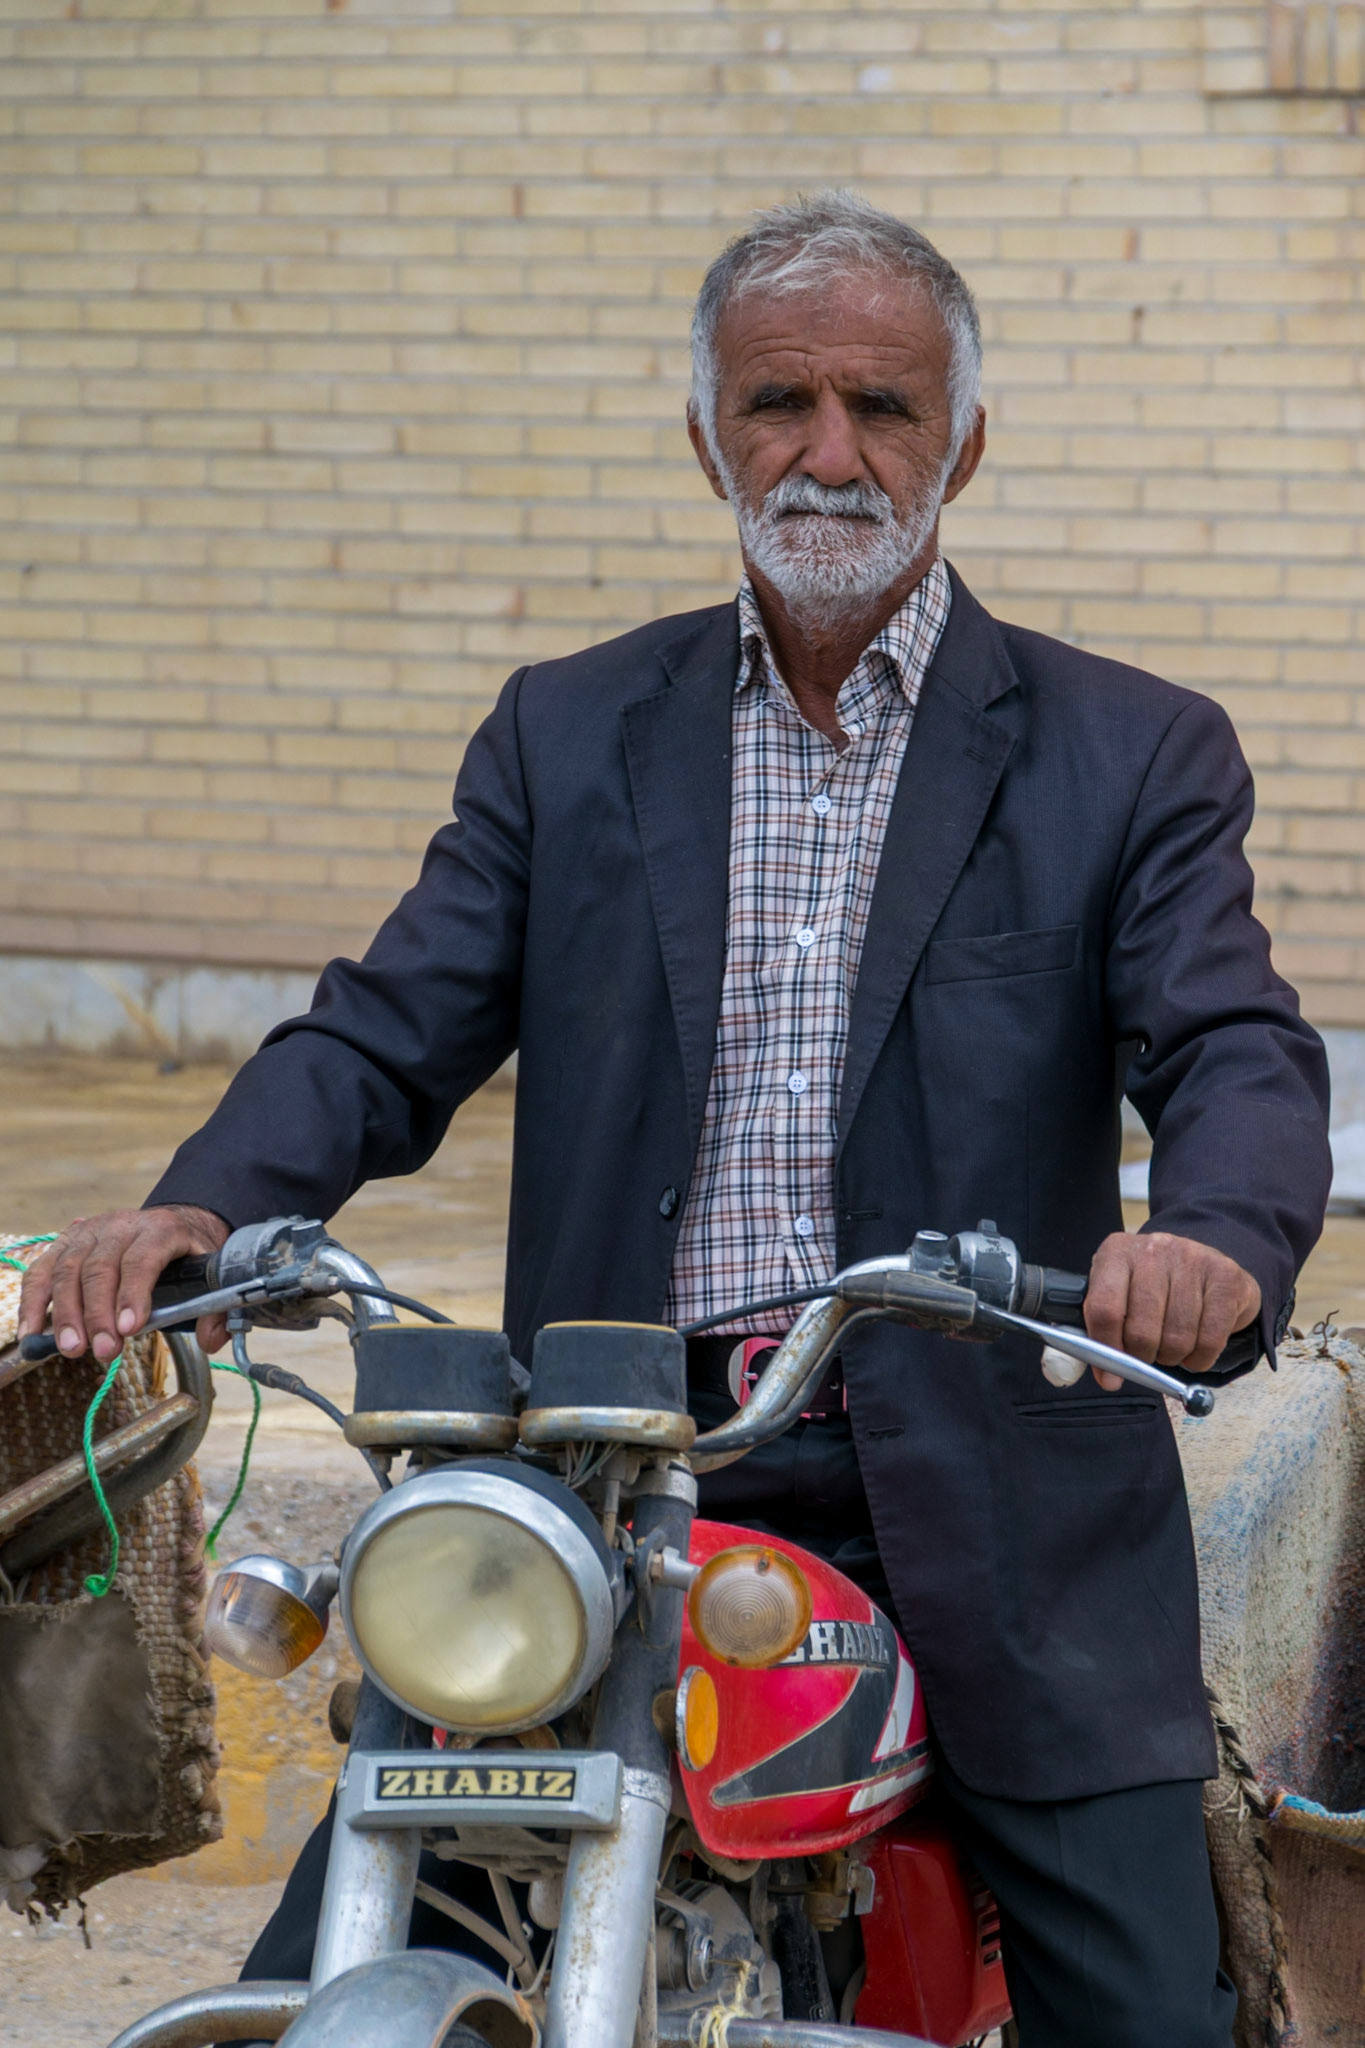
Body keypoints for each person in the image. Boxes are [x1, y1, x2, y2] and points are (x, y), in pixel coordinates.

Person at [21, 192, 1331, 2045]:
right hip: (605, 1465)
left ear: (961, 444)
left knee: (1143, 2012)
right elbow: (386, 1030)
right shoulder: (566, 730)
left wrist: (1209, 1237)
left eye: (881, 407)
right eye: (777, 402)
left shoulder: (1127, 748)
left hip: (988, 1487)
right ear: (708, 437)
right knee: (320, 1966)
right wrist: (201, 1208)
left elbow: (1232, 1046)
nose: (827, 452)